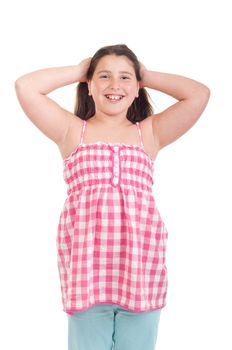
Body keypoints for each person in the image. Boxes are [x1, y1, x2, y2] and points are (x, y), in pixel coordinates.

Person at [15, 44, 210, 350]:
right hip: (87, 276)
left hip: (141, 273)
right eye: (104, 76)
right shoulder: (71, 131)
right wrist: (81, 70)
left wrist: (146, 74)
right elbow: (26, 87)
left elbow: (198, 94)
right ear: (89, 86)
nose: (114, 85)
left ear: (137, 89)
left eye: (125, 78)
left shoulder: (149, 133)